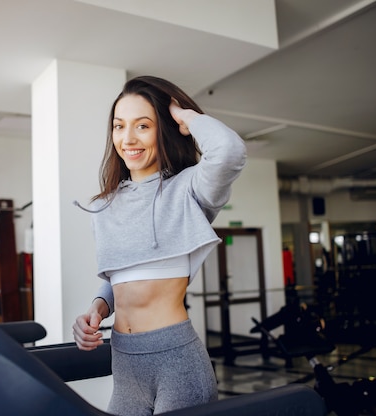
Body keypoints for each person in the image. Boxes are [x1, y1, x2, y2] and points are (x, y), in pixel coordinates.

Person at [73, 75, 246, 415]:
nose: (128, 138)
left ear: (162, 129)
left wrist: (185, 117)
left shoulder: (189, 191)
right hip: (124, 363)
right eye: (119, 126)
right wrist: (97, 308)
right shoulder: (104, 206)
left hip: (177, 361)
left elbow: (229, 151)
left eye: (143, 125)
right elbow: (118, 276)